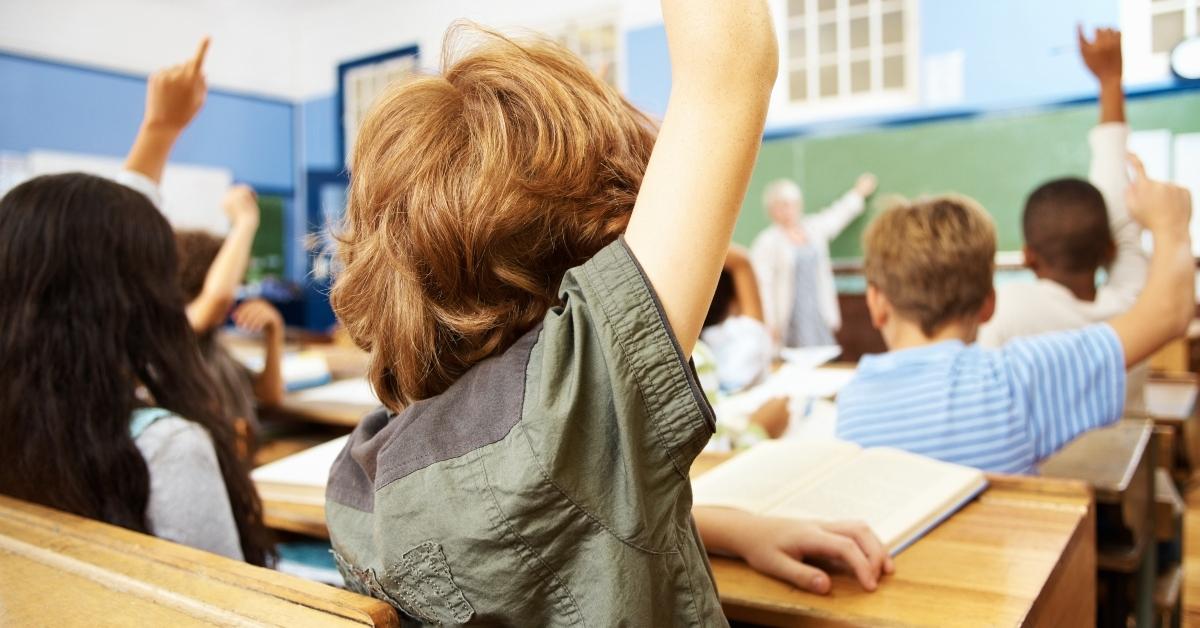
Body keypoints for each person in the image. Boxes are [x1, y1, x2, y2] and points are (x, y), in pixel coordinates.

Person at [325, 6, 890, 625]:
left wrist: (732, 529)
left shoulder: (363, 468)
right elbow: (730, 66)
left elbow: (560, 518)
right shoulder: (570, 395)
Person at [0, 36, 271, 565]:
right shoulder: (163, 449)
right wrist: (245, 220)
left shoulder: (24, 428)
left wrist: (160, 130)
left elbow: (85, 245)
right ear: (133, 300)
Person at [835, 163, 1192, 474]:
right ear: (989, 304)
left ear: (876, 303)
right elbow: (1169, 315)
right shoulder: (1015, 381)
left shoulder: (852, 406)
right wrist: (1170, 222)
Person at [978, 26, 1149, 411]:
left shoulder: (1007, 310)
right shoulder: (1137, 307)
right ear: (1108, 248)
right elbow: (1121, 211)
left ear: (1027, 256)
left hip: (1038, 474)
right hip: (1131, 466)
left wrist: (1108, 79)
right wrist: (1110, 80)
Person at [175, 191, 287, 441]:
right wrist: (245, 221)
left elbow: (269, 395)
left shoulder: (213, 347)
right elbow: (217, 297)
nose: (233, 292)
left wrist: (274, 331)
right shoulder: (173, 334)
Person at [751, 173, 877, 348]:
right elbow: (762, 285)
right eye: (782, 206)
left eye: (792, 204)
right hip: (789, 318)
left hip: (817, 313)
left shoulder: (813, 228)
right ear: (772, 211)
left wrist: (859, 193)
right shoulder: (767, 242)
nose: (788, 210)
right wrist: (769, 322)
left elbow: (837, 215)